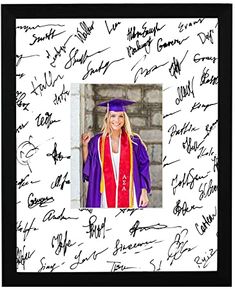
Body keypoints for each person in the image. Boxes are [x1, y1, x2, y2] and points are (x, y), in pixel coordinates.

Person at [82, 98, 151, 208]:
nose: (117, 120)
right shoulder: (97, 142)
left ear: (125, 119)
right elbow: (90, 168)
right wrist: (85, 146)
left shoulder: (134, 142)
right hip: (104, 197)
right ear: (108, 118)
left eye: (120, 116)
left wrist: (144, 191)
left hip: (130, 194)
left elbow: (144, 167)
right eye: (113, 116)